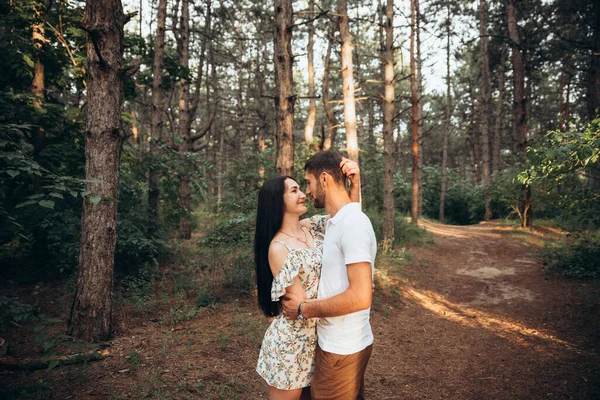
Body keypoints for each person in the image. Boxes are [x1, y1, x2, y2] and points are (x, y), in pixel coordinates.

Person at [255, 158, 360, 400]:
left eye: (301, 187)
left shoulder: (312, 227)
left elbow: (348, 220)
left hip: (322, 336)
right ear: (276, 202)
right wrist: (352, 293)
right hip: (293, 344)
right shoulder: (278, 248)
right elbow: (299, 304)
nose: (303, 193)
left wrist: (354, 186)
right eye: (294, 190)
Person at [282, 150, 377, 400]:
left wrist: (302, 308)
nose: (307, 191)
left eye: (309, 182)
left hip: (341, 347)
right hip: (341, 343)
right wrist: (353, 189)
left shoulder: (351, 224)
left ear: (324, 179)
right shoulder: (337, 221)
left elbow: (360, 297)